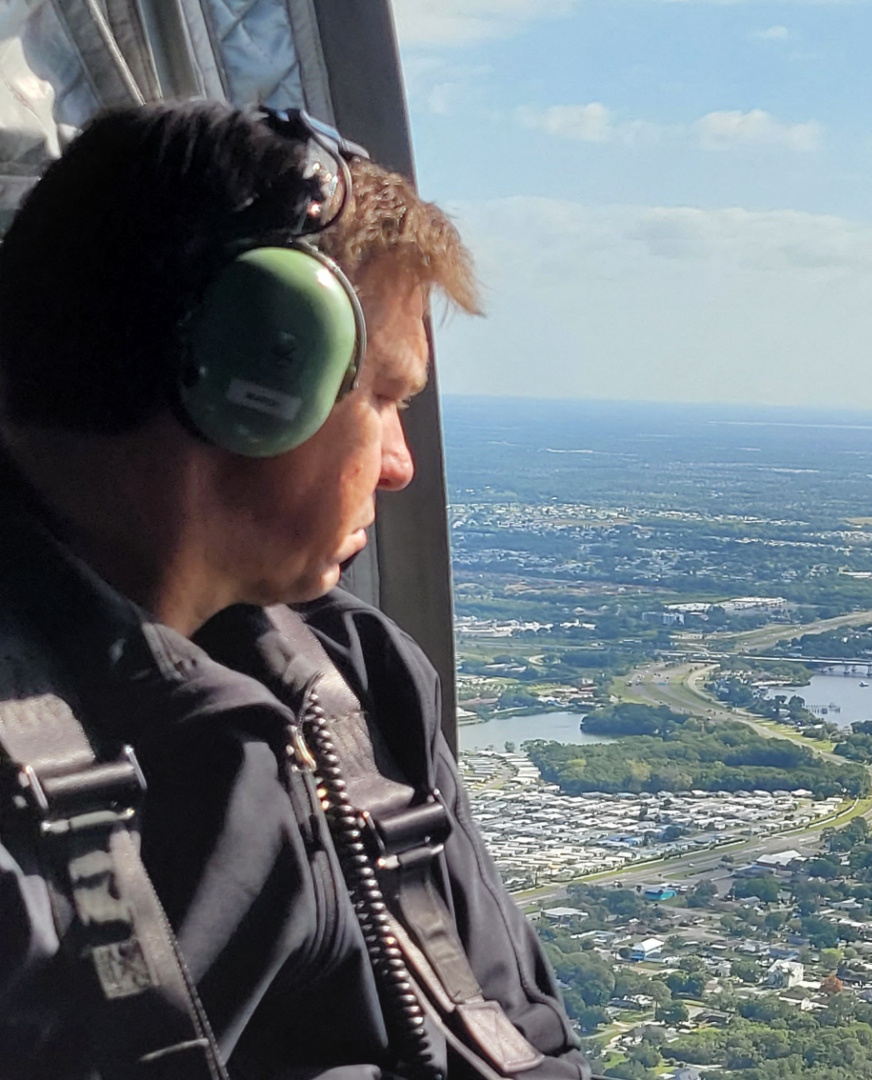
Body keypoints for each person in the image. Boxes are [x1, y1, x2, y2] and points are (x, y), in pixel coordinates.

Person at [0, 102, 586, 1078]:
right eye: (385, 398)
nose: (398, 464)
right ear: (258, 378)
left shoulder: (357, 676)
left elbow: (525, 1038)